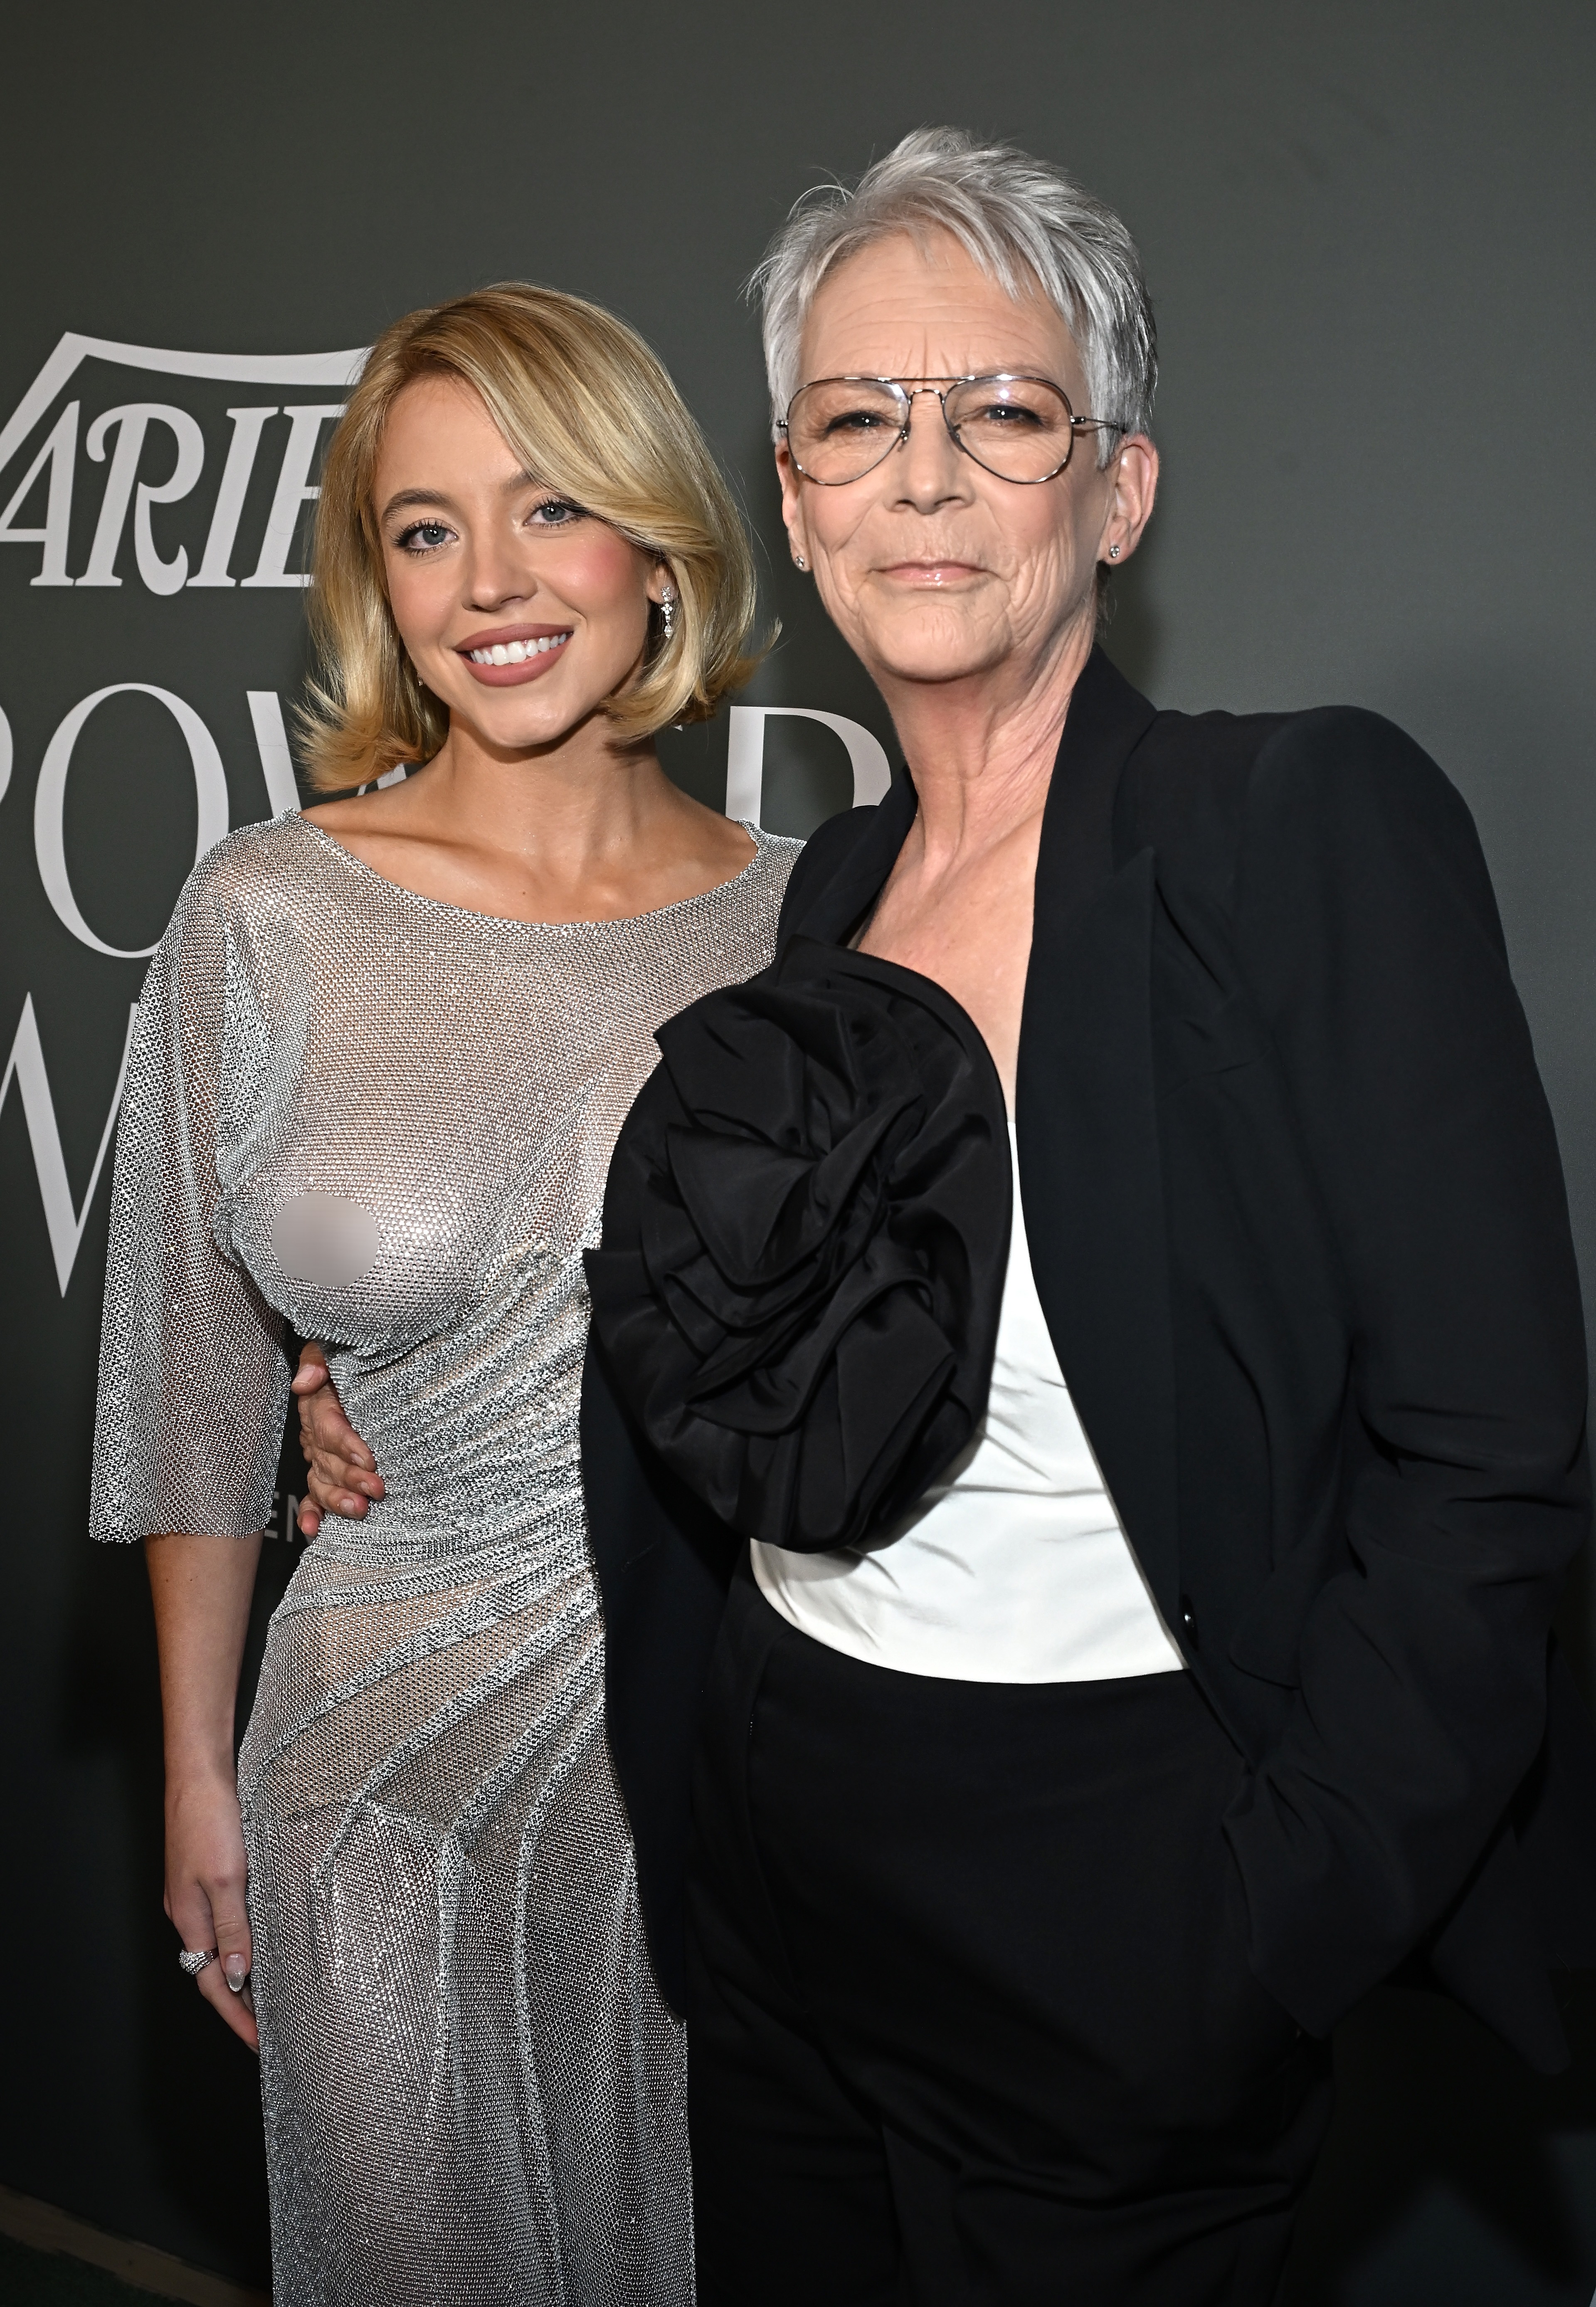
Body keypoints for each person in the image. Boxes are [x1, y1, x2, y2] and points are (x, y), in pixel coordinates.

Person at [298, 133, 1596, 2305]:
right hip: (795, 1860)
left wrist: (1262, 1928)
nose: (921, 480)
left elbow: (1492, 1463)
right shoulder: (821, 892)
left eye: (1000, 413)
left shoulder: (1292, 828)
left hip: (1127, 1892)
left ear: (1119, 489)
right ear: (795, 502)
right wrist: (361, 1392)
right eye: (854, 421)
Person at [91, 280, 799, 2307]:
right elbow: (184, 1385)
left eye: (549, 507)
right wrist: (199, 1768)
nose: (487, 581)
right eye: (423, 529)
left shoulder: (806, 921)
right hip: (369, 1770)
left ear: (659, 547)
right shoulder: (266, 915)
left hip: (722, 1763)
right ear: (374, 579)